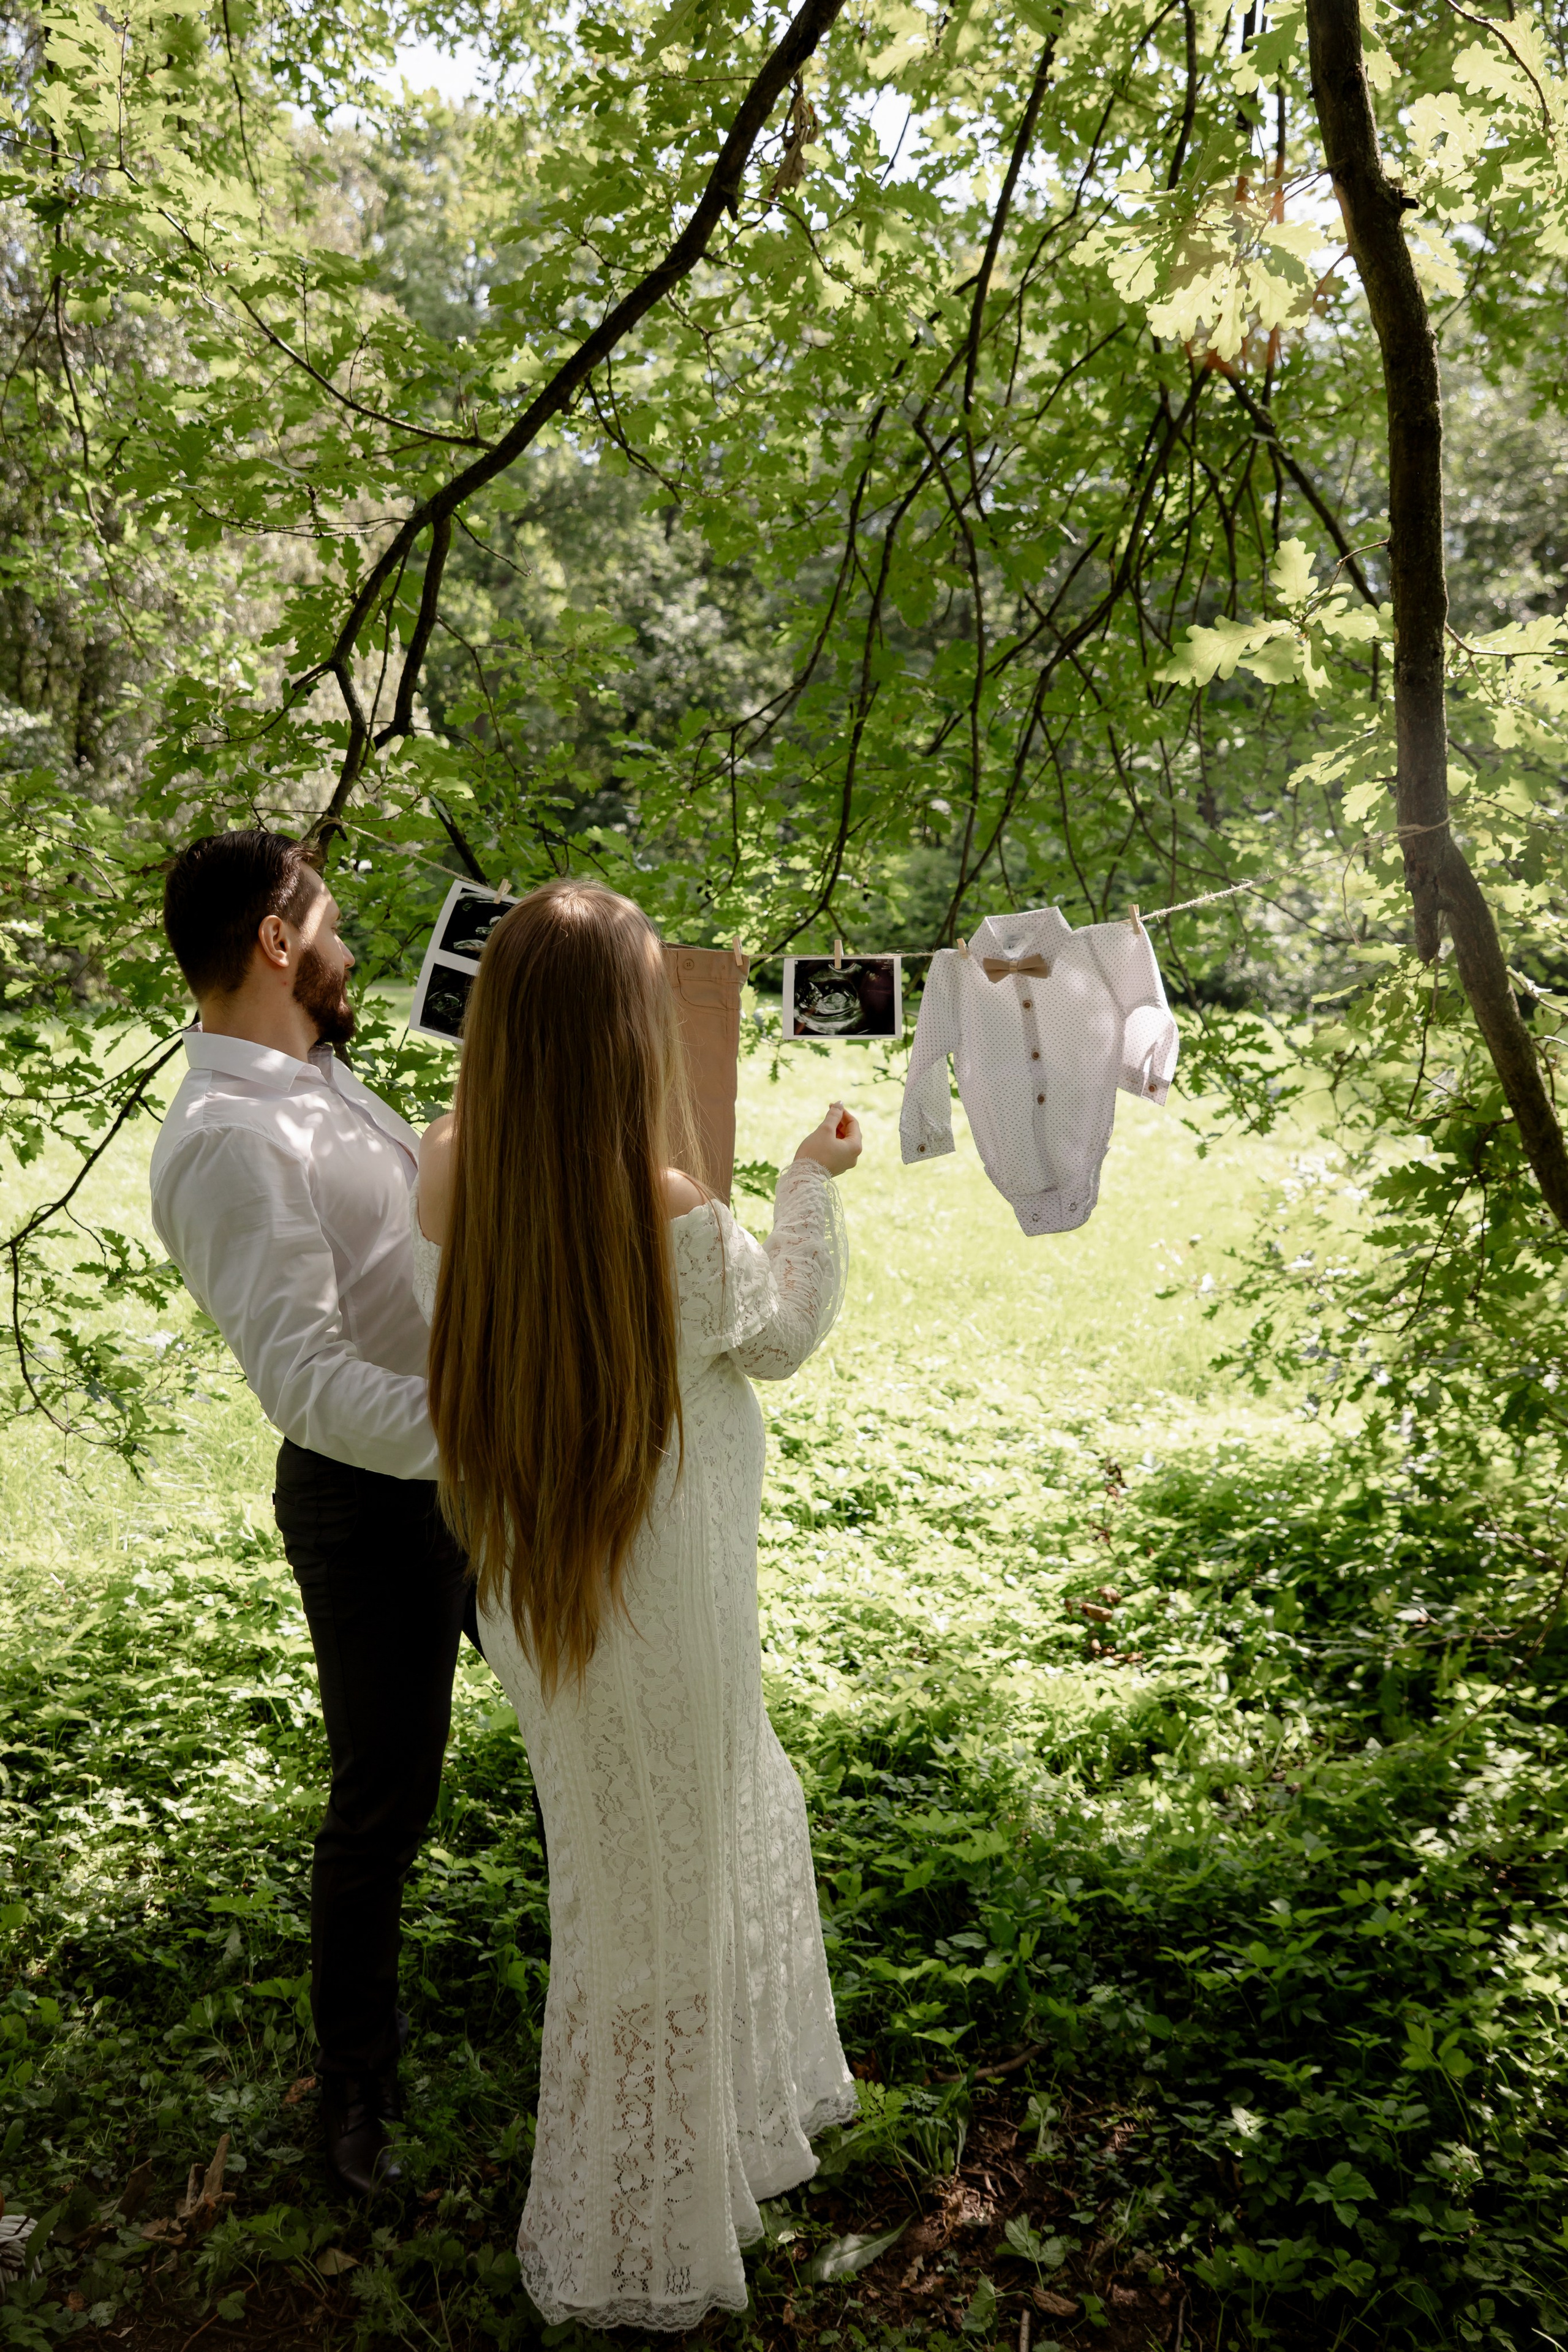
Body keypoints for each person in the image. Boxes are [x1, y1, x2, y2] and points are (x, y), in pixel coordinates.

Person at [412, 879, 862, 2332]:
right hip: (663, 1587)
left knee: (614, 1886)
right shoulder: (667, 1205)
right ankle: (646, 2229)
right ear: (624, 1034)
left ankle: (678, 2167)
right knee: (673, 1890)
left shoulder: (442, 1167)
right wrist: (807, 1178)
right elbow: (781, 1336)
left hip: (538, 1585)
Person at [149, 830, 473, 2199]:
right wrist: (499, 1445)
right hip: (370, 1498)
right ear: (276, 943)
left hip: (473, 1465)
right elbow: (310, 1385)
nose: (350, 953)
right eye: (330, 927)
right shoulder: (228, 1140)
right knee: (382, 1802)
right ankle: (354, 2095)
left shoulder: (320, 1081)